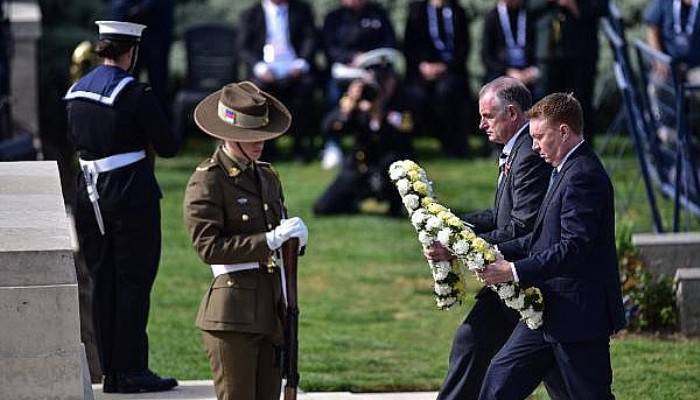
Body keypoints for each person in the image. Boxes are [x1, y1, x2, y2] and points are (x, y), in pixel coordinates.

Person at [477, 93, 626, 399]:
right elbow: (540, 238)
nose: (534, 146)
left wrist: (515, 271)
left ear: (563, 131)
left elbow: (574, 247)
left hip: (578, 315)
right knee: (498, 382)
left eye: (539, 137)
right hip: (548, 310)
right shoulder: (563, 170)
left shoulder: (583, 175)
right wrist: (490, 250)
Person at [425, 77, 566, 400]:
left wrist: (458, 249)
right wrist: (451, 224)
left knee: (552, 374)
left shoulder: (528, 155)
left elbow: (522, 227)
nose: (480, 124)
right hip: (509, 280)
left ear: (513, 113)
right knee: (473, 342)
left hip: (524, 279)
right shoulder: (513, 150)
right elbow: (499, 214)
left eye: (488, 116)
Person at [64, 21, 179, 393]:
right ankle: (131, 370)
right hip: (129, 193)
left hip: (88, 192)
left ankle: (111, 371)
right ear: (131, 52)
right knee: (134, 279)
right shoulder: (135, 93)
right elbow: (169, 145)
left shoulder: (76, 91)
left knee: (103, 281)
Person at [183, 81, 309, 400]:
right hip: (232, 316)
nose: (259, 144)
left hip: (272, 310)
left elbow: (279, 234)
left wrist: (296, 241)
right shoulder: (208, 180)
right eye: (250, 138)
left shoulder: (266, 175)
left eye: (262, 136)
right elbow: (208, 247)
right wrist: (269, 240)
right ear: (227, 134)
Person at [313, 55, 414, 216]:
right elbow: (329, 128)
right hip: (359, 168)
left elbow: (404, 136)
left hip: (391, 172)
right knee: (323, 207)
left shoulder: (404, 101)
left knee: (399, 210)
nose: (381, 87)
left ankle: (388, 202)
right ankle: (358, 200)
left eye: (385, 80)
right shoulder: (359, 102)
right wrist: (349, 106)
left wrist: (379, 114)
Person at [238, 0, 320, 162]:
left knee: (305, 88)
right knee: (258, 91)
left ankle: (299, 146)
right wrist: (260, 68)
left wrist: (300, 63)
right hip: (265, 69)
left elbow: (310, 38)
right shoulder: (251, 14)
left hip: (293, 66)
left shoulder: (301, 10)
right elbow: (243, 48)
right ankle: (267, 146)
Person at [321, 0, 397, 168]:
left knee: (385, 92)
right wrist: (350, 58)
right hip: (344, 72)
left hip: (375, 70)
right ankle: (333, 143)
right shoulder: (334, 18)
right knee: (334, 94)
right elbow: (329, 48)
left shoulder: (378, 13)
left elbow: (390, 42)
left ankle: (384, 140)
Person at [403, 0, 474, 159]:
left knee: (449, 91)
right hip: (421, 71)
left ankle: (453, 145)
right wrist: (422, 65)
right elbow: (409, 44)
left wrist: (445, 66)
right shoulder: (417, 11)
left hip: (450, 70)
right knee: (414, 96)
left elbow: (464, 46)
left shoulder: (457, 11)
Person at [527, 0, 606, 136]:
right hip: (548, 52)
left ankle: (582, 149)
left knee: (581, 103)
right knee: (546, 104)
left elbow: (601, 7)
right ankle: (543, 145)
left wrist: (575, 5)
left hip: (581, 52)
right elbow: (528, 6)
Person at [111, 0, 174, 109]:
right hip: (130, 31)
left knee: (158, 85)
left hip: (155, 31)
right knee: (127, 83)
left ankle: (158, 120)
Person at [481, 0, 539, 87]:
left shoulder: (528, 15)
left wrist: (532, 69)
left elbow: (535, 47)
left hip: (526, 76)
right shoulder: (492, 17)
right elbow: (487, 55)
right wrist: (507, 71)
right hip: (500, 78)